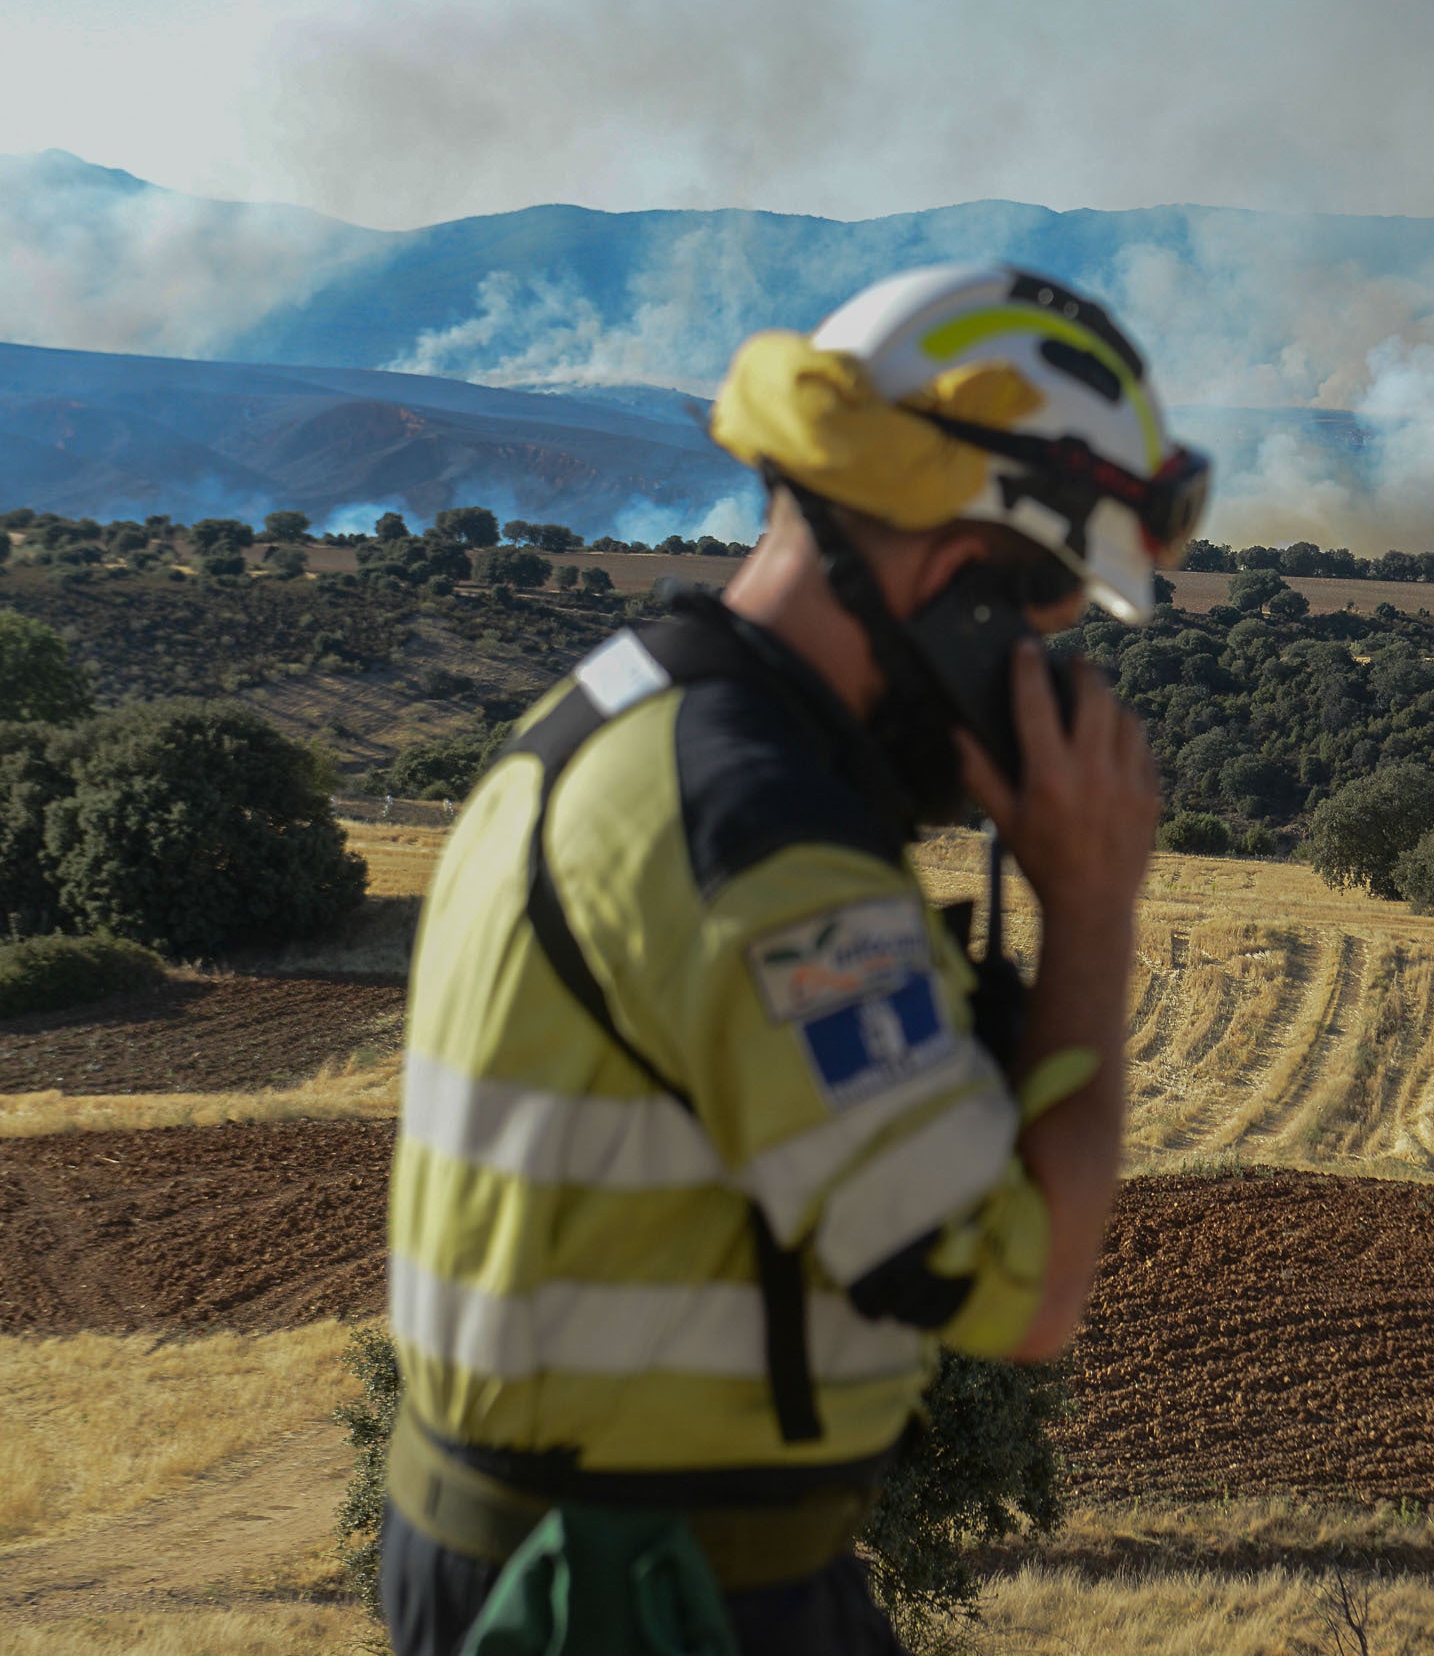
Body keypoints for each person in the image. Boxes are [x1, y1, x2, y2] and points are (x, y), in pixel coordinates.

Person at [380, 263, 1207, 1654]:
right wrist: (1092, 906)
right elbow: (1025, 1287)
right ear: (962, 584)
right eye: (1044, 629)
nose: (1043, 682)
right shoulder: (762, 840)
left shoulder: (629, 715)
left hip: (594, 1561)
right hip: (648, 1599)